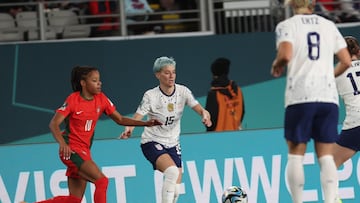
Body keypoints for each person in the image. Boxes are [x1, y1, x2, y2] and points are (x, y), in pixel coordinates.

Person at [23, 66, 161, 203]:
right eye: (94, 80)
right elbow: (53, 124)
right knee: (102, 181)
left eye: (99, 80)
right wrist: (62, 144)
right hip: (71, 150)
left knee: (73, 200)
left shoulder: (101, 99)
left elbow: (120, 119)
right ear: (83, 83)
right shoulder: (73, 100)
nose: (99, 83)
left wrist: (146, 123)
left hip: (84, 152)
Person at [270, 0, 352, 202]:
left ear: (291, 4)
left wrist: (276, 64)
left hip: (300, 96)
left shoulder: (287, 26)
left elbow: (286, 54)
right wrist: (329, 77)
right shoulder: (328, 25)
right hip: (327, 98)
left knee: (296, 154)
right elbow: (346, 60)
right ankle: (330, 200)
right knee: (326, 157)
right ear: (313, 4)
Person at [120, 56, 212, 203]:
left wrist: (205, 115)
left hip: (173, 143)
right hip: (152, 142)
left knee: (175, 190)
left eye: (173, 72)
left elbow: (200, 109)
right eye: (167, 72)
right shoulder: (151, 95)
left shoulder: (183, 92)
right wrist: (129, 129)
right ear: (158, 75)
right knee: (172, 172)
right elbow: (137, 116)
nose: (171, 76)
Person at [333, 36, 360, 168]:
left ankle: (331, 189)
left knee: (331, 165)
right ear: (358, 51)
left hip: (355, 123)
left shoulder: (336, 74)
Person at [205, 57, 245, 131]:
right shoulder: (237, 91)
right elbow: (242, 112)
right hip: (236, 135)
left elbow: (210, 122)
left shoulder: (213, 94)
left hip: (218, 138)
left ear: (214, 75)